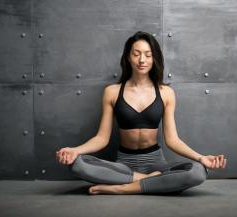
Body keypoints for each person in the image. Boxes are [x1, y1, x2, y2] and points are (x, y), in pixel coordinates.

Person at [56, 31, 227, 195]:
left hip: (156, 164)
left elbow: (172, 140)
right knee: (76, 164)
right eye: (136, 54)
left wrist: (201, 157)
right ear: (128, 57)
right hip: (123, 166)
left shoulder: (166, 92)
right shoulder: (112, 92)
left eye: (148, 54)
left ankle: (121, 189)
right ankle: (149, 181)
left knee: (198, 172)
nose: (142, 60)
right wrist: (75, 150)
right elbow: (102, 138)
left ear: (154, 58)